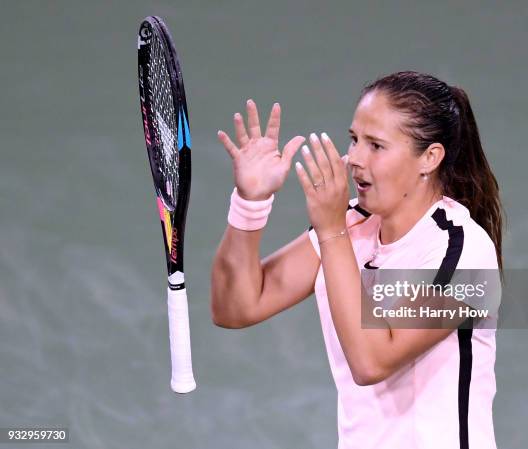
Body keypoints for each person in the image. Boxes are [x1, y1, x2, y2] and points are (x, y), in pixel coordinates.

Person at [212, 71, 503, 449]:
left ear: (429, 158)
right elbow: (235, 307)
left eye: (376, 146)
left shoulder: (462, 252)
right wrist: (249, 203)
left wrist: (332, 231)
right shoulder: (353, 223)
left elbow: (371, 363)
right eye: (354, 139)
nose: (354, 159)